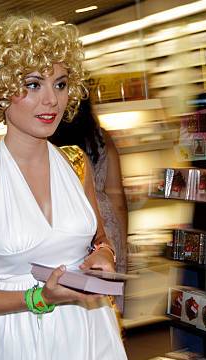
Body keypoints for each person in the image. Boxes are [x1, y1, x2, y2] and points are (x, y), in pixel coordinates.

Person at [0, 15, 137, 360]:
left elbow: (99, 238)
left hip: (88, 334)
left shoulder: (75, 163)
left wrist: (103, 254)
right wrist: (39, 298)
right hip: (17, 340)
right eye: (33, 84)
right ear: (0, 91)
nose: (51, 99)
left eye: (60, 84)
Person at [50, 99, 128, 311]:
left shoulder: (46, 140)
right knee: (106, 299)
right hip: (105, 220)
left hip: (68, 221)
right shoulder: (100, 137)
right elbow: (117, 194)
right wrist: (121, 245)